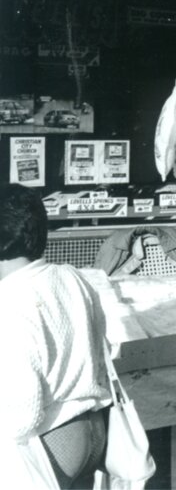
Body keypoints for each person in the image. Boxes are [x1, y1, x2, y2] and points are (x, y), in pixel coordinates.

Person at [0, 184, 112, 488]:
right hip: (94, 432)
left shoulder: (9, 300)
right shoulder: (73, 278)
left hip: (50, 442)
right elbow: (102, 351)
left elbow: (21, 415)